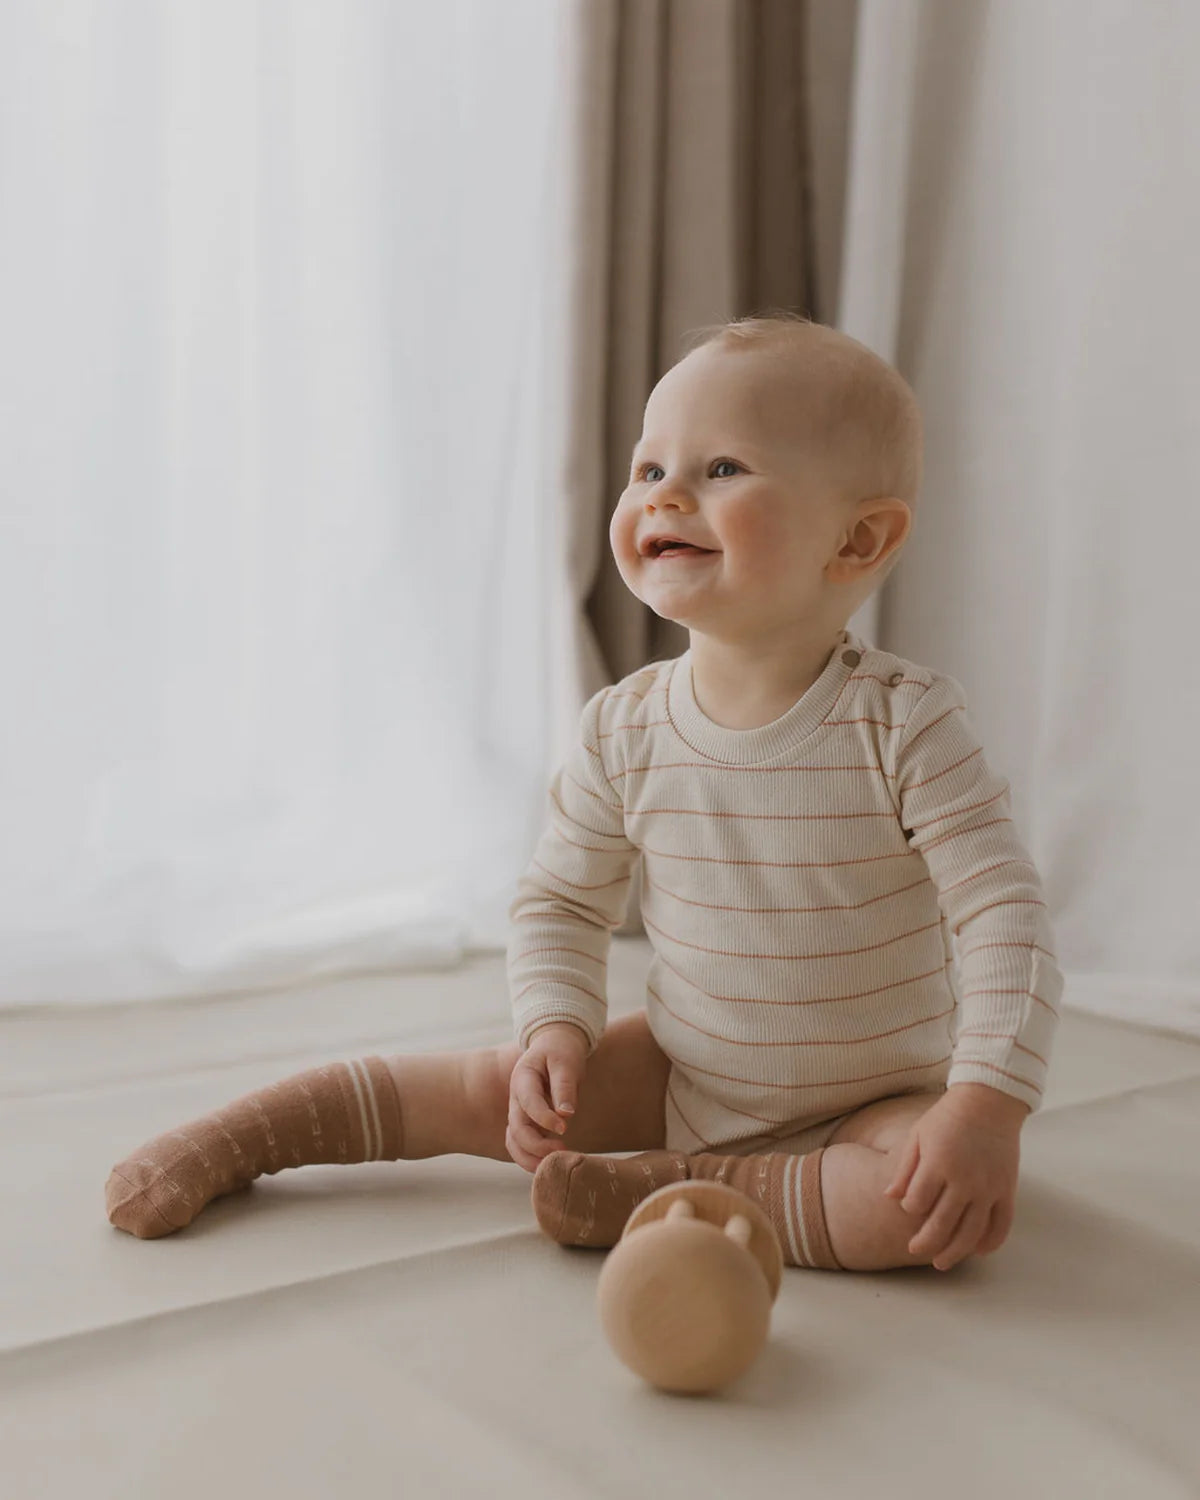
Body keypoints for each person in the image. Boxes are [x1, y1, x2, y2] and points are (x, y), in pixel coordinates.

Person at [105, 314, 1062, 1274]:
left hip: (871, 1105)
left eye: (722, 469)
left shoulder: (906, 723)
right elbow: (563, 898)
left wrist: (983, 1107)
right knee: (497, 1088)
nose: (667, 495)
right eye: (648, 470)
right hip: (685, 1069)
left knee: (919, 1211)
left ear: (857, 539)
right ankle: (243, 1137)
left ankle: (664, 1190)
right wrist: (554, 1027)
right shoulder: (624, 726)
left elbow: (1001, 914)